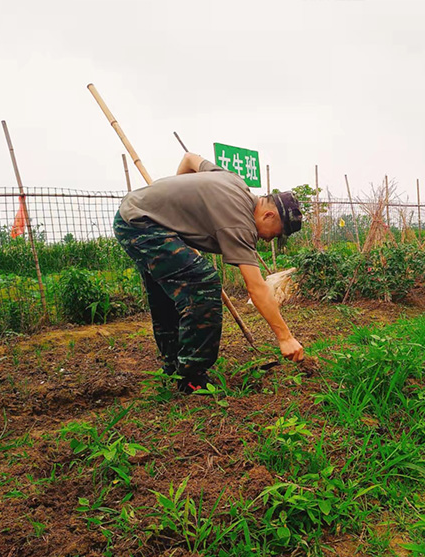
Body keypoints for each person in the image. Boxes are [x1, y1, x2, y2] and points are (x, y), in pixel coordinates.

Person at [113, 152, 305, 393]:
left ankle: (173, 368)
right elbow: (256, 288)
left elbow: (189, 159)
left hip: (135, 215)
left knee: (167, 295)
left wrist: (174, 206)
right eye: (275, 233)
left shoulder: (235, 182)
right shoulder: (240, 222)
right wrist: (285, 337)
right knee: (202, 283)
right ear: (268, 215)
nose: (269, 240)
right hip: (141, 224)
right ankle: (192, 377)